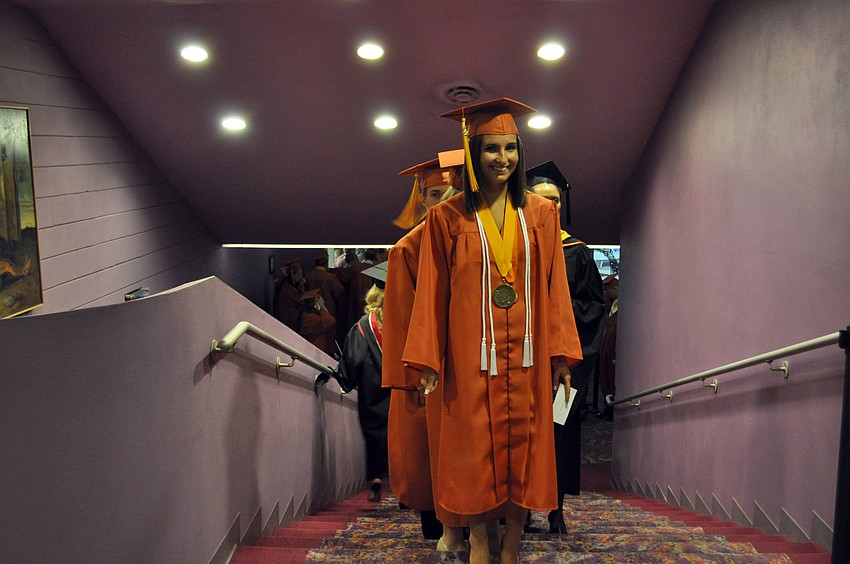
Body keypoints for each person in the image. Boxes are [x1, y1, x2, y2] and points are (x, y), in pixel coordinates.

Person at [403, 98, 583, 564]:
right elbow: (433, 294)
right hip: (471, 355)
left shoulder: (542, 214)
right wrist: (426, 359)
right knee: (473, 449)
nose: (502, 159)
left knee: (525, 446)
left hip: (525, 355)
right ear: (473, 152)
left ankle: (514, 544)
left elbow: (555, 288)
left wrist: (561, 355)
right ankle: (480, 542)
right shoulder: (447, 218)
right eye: (491, 149)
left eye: (510, 149)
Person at [383, 151, 465, 547]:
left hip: (470, 363)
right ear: (423, 200)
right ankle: (438, 527)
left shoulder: (476, 238)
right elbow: (399, 321)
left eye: (450, 192)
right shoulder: (407, 249)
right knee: (430, 454)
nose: (442, 202)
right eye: (433, 195)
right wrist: (412, 376)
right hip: (429, 368)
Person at [527, 161, 606, 534]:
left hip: (562, 360)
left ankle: (555, 509)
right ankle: (521, 510)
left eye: (555, 200)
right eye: (542, 200)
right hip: (522, 360)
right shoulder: (519, 247)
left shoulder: (577, 251)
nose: (550, 207)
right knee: (522, 435)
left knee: (560, 432)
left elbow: (594, 307)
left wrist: (553, 313)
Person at [334, 263, 391, 502]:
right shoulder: (404, 321)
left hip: (371, 390)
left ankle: (376, 477)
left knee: (374, 435)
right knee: (399, 438)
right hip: (397, 389)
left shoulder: (362, 326)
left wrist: (345, 380)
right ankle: (405, 486)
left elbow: (354, 358)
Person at [303, 249, 345, 354]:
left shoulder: (308, 276)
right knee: (329, 338)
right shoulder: (330, 277)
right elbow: (339, 292)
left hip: (311, 311)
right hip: (328, 310)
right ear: (326, 261)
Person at [295, 288, 336, 354]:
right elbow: (330, 321)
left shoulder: (307, 316)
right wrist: (322, 307)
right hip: (314, 350)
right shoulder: (310, 318)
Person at [275, 257, 304, 330]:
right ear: (292, 275)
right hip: (289, 320)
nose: (301, 277)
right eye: (298, 274)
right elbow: (300, 301)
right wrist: (301, 285)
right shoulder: (287, 288)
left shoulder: (290, 286)